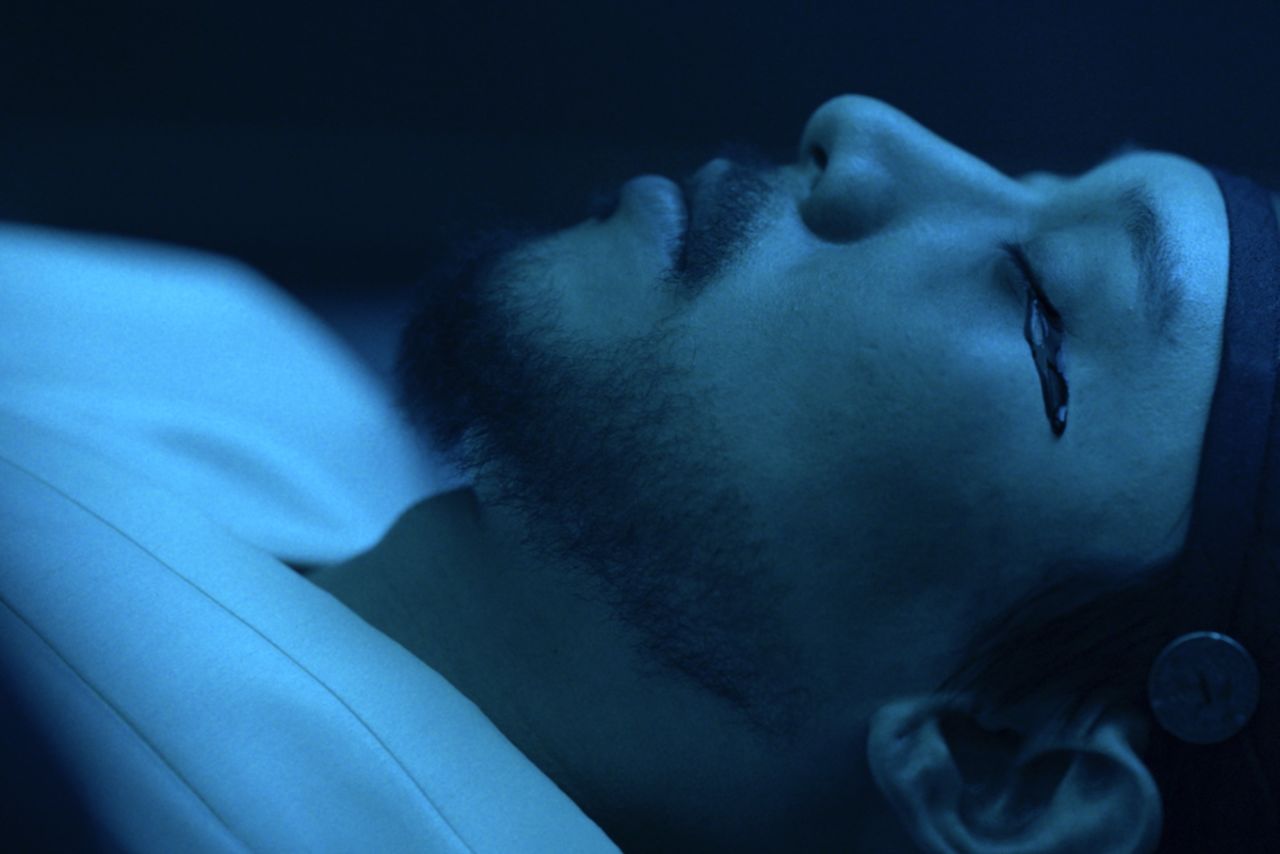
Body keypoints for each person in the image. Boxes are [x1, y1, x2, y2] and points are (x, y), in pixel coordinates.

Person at [304, 93, 1279, 852]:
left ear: (1005, 776)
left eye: (1037, 289)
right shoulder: (263, 376)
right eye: (1021, 178)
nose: (857, 127)